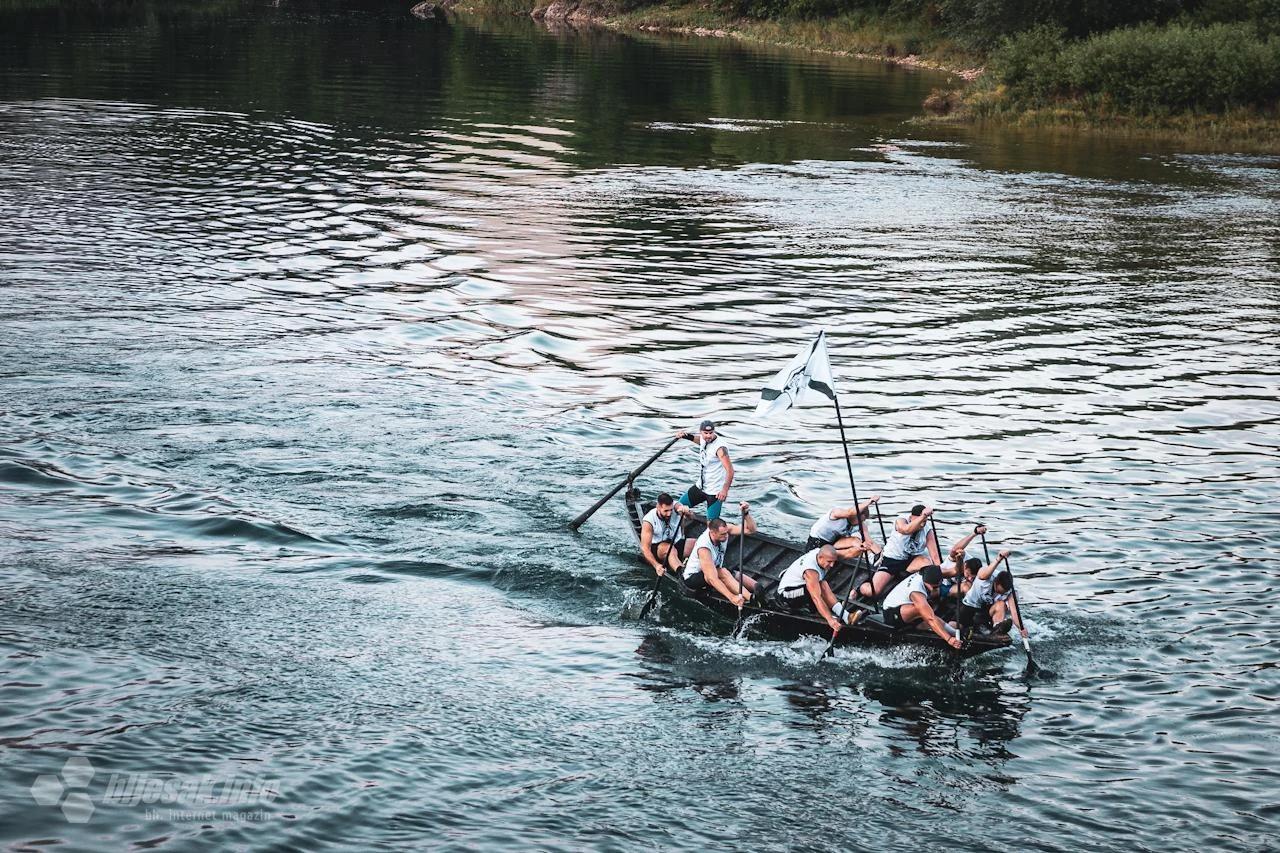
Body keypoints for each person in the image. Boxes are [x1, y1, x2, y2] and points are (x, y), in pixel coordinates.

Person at [682, 502, 757, 606]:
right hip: (693, 579)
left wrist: (746, 514)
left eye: (726, 533)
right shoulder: (704, 548)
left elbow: (751, 530)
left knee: (732, 573)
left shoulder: (725, 530)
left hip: (715, 569)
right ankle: (750, 599)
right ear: (712, 533)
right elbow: (712, 578)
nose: (726, 536)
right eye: (722, 534)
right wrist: (732, 598)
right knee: (723, 573)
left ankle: (756, 592)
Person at [859, 503, 939, 600]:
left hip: (910, 561)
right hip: (892, 560)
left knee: (927, 562)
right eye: (920, 521)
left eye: (925, 522)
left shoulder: (927, 530)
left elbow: (935, 556)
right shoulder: (901, 520)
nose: (922, 524)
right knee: (873, 591)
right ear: (911, 517)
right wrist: (923, 516)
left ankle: (924, 590)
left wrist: (940, 576)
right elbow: (906, 530)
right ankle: (858, 589)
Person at [774, 545, 854, 634]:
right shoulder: (811, 571)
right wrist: (830, 620)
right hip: (785, 595)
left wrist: (861, 548)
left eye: (834, 562)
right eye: (829, 562)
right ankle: (823, 614)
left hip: (801, 588)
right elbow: (816, 598)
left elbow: (847, 553)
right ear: (820, 557)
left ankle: (846, 616)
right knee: (814, 590)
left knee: (823, 584)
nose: (832, 565)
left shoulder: (820, 552)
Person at [879, 564, 962, 649]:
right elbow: (931, 618)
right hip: (891, 613)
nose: (935, 589)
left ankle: (954, 633)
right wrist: (949, 639)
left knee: (929, 608)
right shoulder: (916, 591)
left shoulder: (933, 572)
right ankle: (954, 634)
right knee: (925, 612)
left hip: (907, 607)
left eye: (937, 586)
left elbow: (955, 571)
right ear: (925, 582)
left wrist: (959, 558)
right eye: (933, 587)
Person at [675, 420, 733, 522]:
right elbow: (699, 440)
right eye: (705, 433)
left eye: (711, 433)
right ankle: (684, 530)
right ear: (701, 432)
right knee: (678, 508)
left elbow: (730, 470)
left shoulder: (720, 448)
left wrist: (724, 490)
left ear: (714, 432)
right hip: (701, 487)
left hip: (715, 492)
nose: (708, 436)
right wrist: (686, 436)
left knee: (712, 525)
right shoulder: (703, 439)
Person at [805, 495, 882, 562]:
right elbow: (850, 512)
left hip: (833, 543)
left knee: (856, 541)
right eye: (860, 520)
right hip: (816, 543)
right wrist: (870, 501)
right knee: (853, 551)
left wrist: (880, 554)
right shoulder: (836, 513)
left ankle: (873, 558)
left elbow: (869, 540)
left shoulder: (860, 524)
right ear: (855, 515)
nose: (860, 523)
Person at [960, 549, 1017, 640]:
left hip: (986, 611)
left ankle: (997, 630)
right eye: (1000, 591)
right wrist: (999, 559)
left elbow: (1014, 613)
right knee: (955, 626)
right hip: (969, 606)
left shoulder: (1010, 589)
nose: (1001, 594)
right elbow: (982, 575)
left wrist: (1021, 628)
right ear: (996, 582)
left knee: (1001, 604)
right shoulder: (987, 574)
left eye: (1003, 592)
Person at [639, 492, 693, 576]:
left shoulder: (675, 507)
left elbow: (686, 513)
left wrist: (687, 512)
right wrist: (656, 566)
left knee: (697, 544)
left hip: (674, 542)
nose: (669, 513)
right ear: (658, 507)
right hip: (658, 549)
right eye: (666, 511)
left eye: (671, 510)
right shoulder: (648, 520)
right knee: (670, 549)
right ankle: (682, 573)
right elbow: (645, 548)